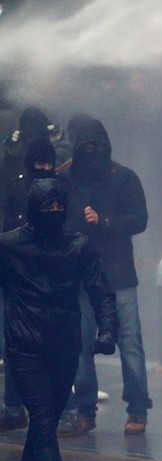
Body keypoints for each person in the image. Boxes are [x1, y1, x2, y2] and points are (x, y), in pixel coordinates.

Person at [0, 178, 117, 461]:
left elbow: (101, 290)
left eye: (58, 206)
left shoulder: (77, 245)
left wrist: (108, 328)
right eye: (47, 206)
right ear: (34, 209)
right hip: (25, 348)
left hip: (64, 347)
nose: (54, 212)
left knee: (42, 423)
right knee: (43, 415)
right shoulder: (9, 246)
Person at [58, 115, 152, 437]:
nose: (92, 153)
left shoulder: (124, 178)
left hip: (118, 273)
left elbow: (140, 219)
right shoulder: (67, 180)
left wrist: (105, 222)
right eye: (86, 148)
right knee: (81, 343)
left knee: (130, 342)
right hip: (83, 276)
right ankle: (86, 409)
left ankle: (138, 409)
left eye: (97, 147)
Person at [0, 137, 59, 432]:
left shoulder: (60, 189)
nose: (45, 169)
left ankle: (59, 407)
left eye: (49, 164)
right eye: (40, 164)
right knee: (12, 345)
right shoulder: (15, 189)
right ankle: (13, 407)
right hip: (18, 277)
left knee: (54, 344)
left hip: (49, 278)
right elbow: (6, 227)